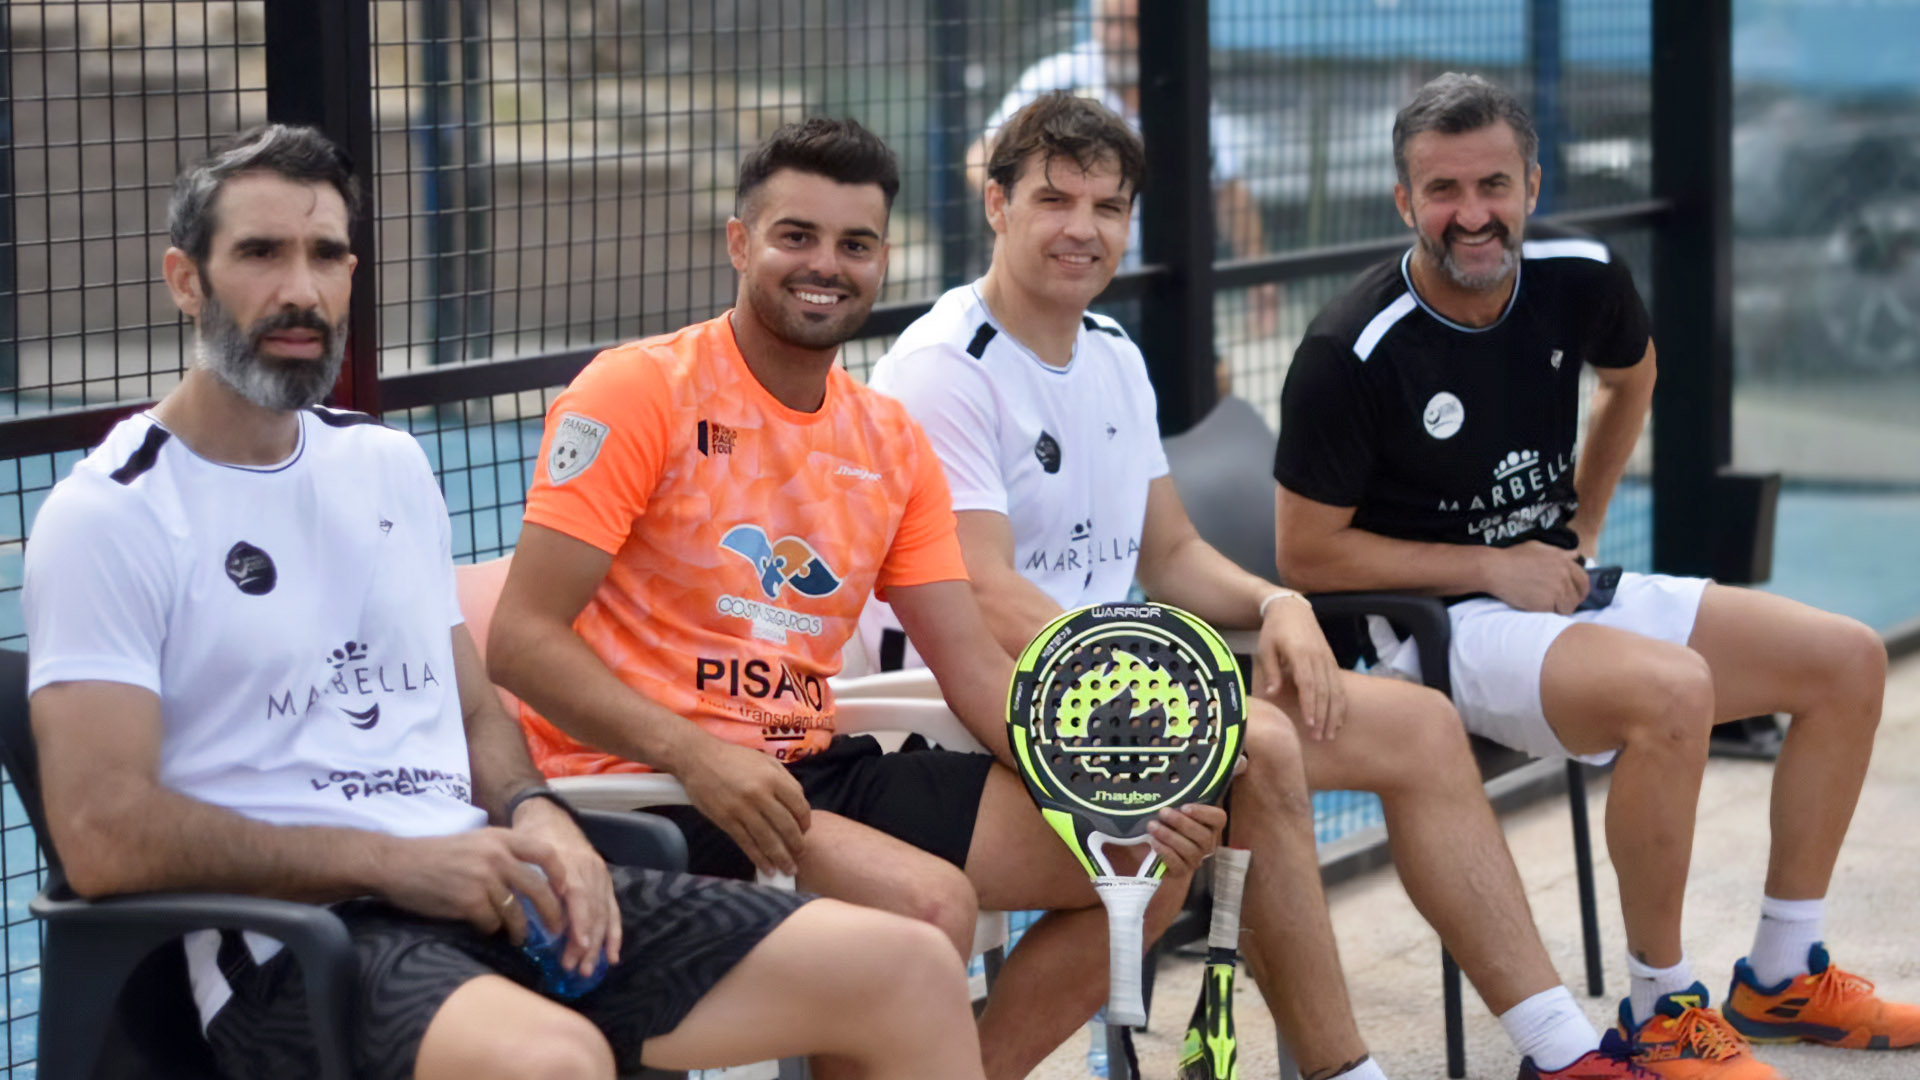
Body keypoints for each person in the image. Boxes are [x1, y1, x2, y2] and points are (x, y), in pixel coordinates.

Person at [21, 124, 988, 1080]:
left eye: (327, 255)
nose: (300, 291)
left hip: (492, 888)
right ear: (185, 278)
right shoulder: (112, 514)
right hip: (300, 942)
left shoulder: (386, 465)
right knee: (552, 1060)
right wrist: (391, 864)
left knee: (907, 967)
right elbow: (103, 838)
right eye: (260, 254)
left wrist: (532, 811)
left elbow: (473, 702)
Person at [864, 90, 1655, 1080]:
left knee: (1419, 727)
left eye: (1108, 208)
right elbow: (977, 591)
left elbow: (1173, 558)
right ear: (997, 206)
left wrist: (1279, 603)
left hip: (1123, 689)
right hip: (971, 704)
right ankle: (1341, 1070)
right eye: (1056, 200)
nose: (1083, 229)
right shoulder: (944, 366)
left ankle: (1558, 1046)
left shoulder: (1112, 354)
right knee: (1261, 743)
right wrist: (1183, 683)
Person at [485, 117, 1226, 1080]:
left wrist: (1113, 787)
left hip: (808, 770)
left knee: (1143, 856)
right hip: (649, 783)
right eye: (798, 236)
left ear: (881, 261)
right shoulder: (639, 391)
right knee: (926, 909)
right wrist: (694, 753)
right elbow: (519, 640)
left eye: (856, 244)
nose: (825, 265)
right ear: (740, 241)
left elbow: (969, 663)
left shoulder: (887, 440)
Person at [1274, 73, 1920, 1078]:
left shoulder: (1582, 272)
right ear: (1405, 203)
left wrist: (1578, 523)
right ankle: (1663, 1007)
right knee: (1672, 695)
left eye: (1495, 184)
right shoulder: (1349, 349)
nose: (1473, 214)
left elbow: (1636, 375)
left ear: (1533, 183)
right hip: (1428, 630)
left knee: (1844, 661)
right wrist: (1493, 564)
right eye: (1443, 192)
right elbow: (1306, 556)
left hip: (1550, 586)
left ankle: (1784, 975)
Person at [965, 0, 1278, 335]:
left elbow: (1227, 189)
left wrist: (1259, 277)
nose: (1117, 37)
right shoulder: (1058, 78)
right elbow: (981, 156)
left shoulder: (1181, 92)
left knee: (1205, 377)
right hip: (1057, 278)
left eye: (1130, 25)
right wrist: (1026, 220)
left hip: (1157, 284)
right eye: (1108, 23)